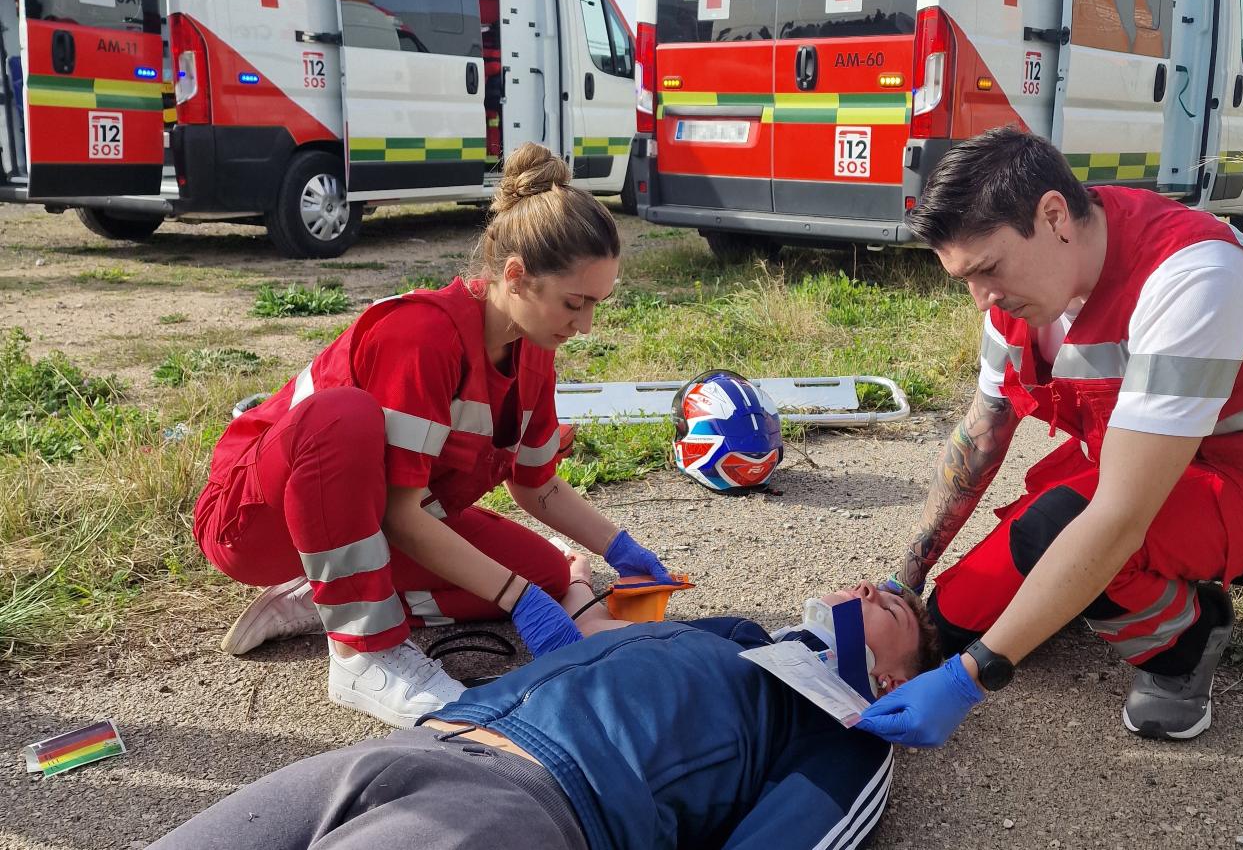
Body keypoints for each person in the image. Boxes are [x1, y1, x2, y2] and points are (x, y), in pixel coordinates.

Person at [858, 127, 1243, 747]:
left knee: (1066, 535)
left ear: (1054, 216)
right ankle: (1045, 606)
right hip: (1153, 459)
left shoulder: (1194, 276)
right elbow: (981, 436)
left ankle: (1186, 645)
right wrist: (911, 580)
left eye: (987, 270)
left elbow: (1118, 514)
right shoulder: (1019, 295)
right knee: (962, 608)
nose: (982, 299)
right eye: (965, 279)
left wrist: (969, 679)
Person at [191, 144, 674, 728]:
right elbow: (402, 515)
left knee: (547, 572)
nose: (586, 325)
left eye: (597, 304)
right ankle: (361, 653)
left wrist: (620, 550)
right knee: (342, 415)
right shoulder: (423, 336)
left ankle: (321, 596)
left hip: (367, 519)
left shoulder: (533, 351)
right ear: (516, 276)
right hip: (252, 520)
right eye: (575, 303)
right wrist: (517, 600)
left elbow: (537, 487)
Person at [148, 554, 940, 850]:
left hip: (530, 803)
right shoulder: (733, 635)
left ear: (898, 681)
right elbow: (600, 649)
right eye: (875, 581)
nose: (872, 586)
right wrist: (570, 589)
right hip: (419, 746)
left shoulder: (848, 732)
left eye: (894, 608)